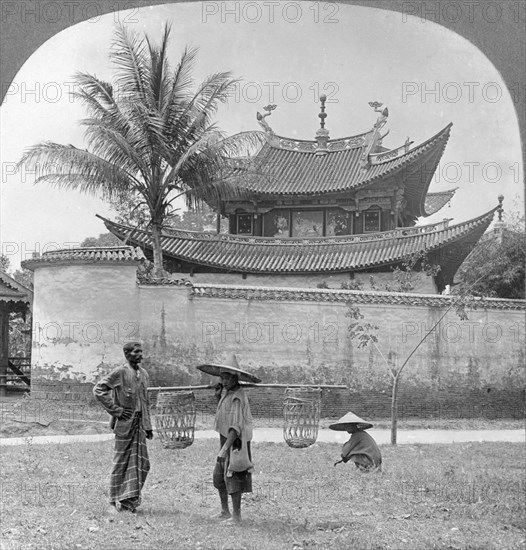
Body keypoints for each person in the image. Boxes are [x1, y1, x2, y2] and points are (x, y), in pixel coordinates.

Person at [93, 342, 153, 513]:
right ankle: (112, 502)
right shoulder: (120, 372)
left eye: (141, 351)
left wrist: (148, 426)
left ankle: (128, 502)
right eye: (136, 352)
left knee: (143, 463)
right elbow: (98, 389)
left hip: (139, 425)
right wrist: (117, 410)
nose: (140, 354)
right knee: (120, 463)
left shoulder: (144, 374)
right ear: (127, 354)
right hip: (124, 426)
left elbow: (145, 402)